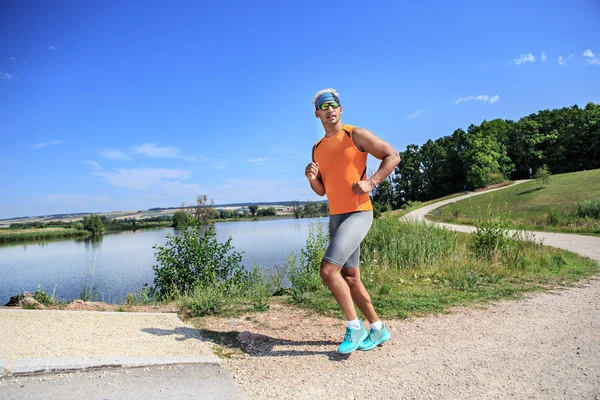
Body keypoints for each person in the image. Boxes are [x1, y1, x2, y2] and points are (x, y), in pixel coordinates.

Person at [305, 88, 401, 354]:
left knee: (328, 271)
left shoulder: (355, 134)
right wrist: (312, 177)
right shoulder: (317, 148)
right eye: (324, 107)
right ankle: (378, 328)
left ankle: (354, 326)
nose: (330, 110)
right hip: (336, 216)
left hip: (359, 213)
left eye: (334, 105)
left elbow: (392, 156)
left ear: (340, 109)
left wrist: (371, 182)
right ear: (317, 114)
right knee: (350, 277)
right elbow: (322, 190)